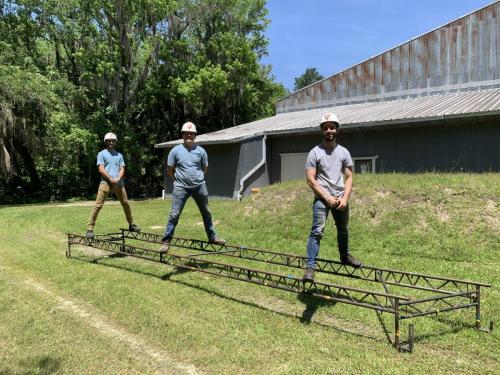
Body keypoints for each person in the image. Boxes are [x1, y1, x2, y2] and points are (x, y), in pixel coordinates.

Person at [303, 112, 362, 282]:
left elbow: (349, 177)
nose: (329, 130)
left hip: (340, 198)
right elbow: (310, 179)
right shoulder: (315, 152)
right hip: (322, 199)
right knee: (317, 232)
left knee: (343, 228)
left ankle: (345, 257)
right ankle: (310, 268)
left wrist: (344, 198)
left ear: (337, 130)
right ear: (322, 131)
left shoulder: (344, 152)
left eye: (332, 127)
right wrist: (327, 197)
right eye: (326, 128)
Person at [159, 122, 225, 252]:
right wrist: (178, 179)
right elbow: (170, 170)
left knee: (206, 212)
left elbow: (204, 169)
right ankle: (166, 241)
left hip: (199, 186)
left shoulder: (201, 151)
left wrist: (196, 178)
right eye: (186, 133)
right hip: (180, 188)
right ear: (182, 135)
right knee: (174, 214)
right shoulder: (175, 151)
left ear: (195, 135)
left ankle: (212, 237)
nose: (189, 135)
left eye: (191, 133)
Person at [85, 132, 141, 239]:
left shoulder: (119, 155)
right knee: (98, 206)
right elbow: (101, 169)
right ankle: (90, 229)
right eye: (109, 141)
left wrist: (118, 178)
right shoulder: (101, 154)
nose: (111, 142)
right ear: (106, 142)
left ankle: (132, 225)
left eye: (113, 141)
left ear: (115, 142)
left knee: (125, 203)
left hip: (119, 183)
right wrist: (110, 178)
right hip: (105, 182)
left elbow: (122, 169)